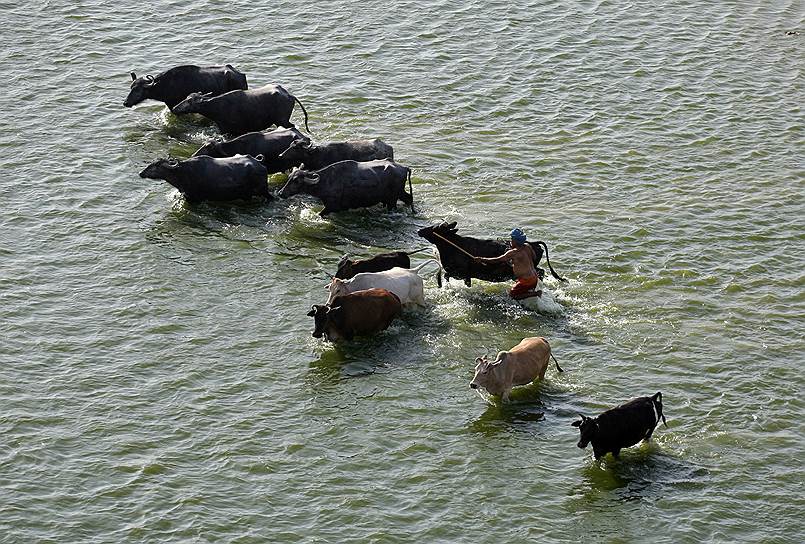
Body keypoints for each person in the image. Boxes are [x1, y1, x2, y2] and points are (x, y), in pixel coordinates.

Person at [474, 228, 542, 299]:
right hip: (535, 277)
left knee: (512, 295)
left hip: (526, 281)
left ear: (515, 241)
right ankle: (528, 291)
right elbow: (534, 257)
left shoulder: (513, 253)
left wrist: (481, 259)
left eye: (512, 239)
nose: (511, 241)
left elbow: (497, 260)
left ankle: (535, 294)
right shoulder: (528, 246)